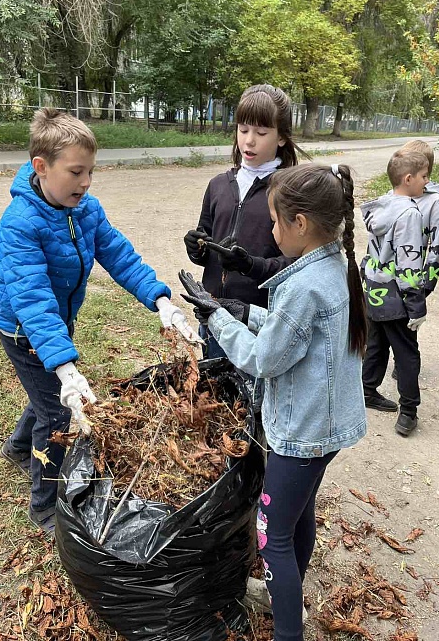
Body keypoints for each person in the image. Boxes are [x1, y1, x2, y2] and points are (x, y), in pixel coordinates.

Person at [0, 108, 201, 536]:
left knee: (48, 394)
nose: (85, 183)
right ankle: (44, 507)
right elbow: (32, 301)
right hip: (24, 327)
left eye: (90, 172)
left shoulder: (85, 209)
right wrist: (64, 363)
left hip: (56, 321)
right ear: (41, 168)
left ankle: (15, 448)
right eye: (76, 172)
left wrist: (159, 300)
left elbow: (117, 254)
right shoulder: (20, 223)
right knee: (58, 415)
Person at [179, 163, 367, 641]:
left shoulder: (305, 286)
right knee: (296, 514)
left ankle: (288, 631)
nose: (271, 231)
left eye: (275, 222)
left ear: (300, 224)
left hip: (300, 431)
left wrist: (218, 315)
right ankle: (288, 594)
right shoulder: (335, 264)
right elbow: (297, 334)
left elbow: (262, 358)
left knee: (271, 532)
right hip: (327, 427)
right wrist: (247, 311)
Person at [183, 84, 300, 364]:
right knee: (216, 400)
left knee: (253, 404)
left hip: (258, 323)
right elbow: (207, 240)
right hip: (213, 314)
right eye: (243, 129)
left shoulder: (290, 191)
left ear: (282, 137)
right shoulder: (218, 186)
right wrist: (197, 249)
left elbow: (296, 266)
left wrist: (250, 265)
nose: (249, 141)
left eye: (261, 133)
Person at [360, 148, 430, 436]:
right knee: (407, 354)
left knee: (376, 343)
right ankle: (409, 412)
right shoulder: (410, 213)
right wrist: (416, 304)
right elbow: (409, 263)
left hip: (373, 291)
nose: (427, 182)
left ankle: (366, 390)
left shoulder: (382, 206)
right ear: (409, 178)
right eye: (424, 177)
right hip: (395, 297)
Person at [387, 140, 439, 382]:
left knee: (406, 329)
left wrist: (427, 283)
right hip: (389, 276)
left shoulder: (435, 203)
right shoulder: (396, 196)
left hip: (414, 277)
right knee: (386, 327)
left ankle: (404, 368)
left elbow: (436, 245)